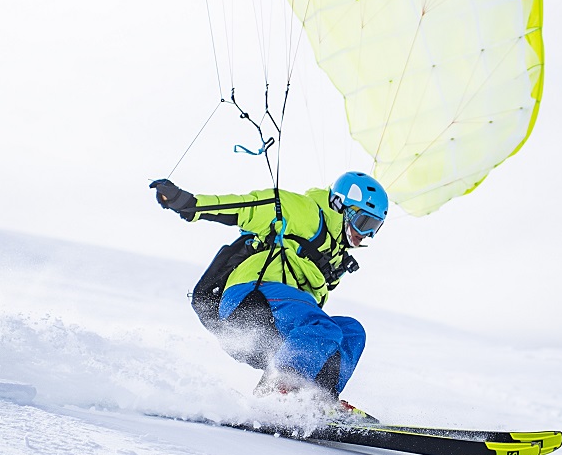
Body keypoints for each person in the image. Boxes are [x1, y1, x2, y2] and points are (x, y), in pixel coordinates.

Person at [149, 171, 388, 405]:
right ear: (340, 206)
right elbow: (246, 207)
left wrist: (333, 272)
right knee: (322, 327)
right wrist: (188, 203)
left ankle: (319, 399)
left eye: (374, 227)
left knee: (350, 331)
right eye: (363, 222)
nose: (366, 235)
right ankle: (279, 390)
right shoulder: (303, 211)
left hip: (277, 333)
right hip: (250, 301)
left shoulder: (335, 254)